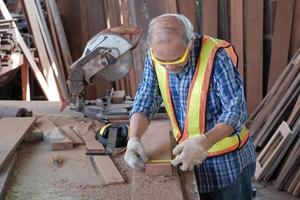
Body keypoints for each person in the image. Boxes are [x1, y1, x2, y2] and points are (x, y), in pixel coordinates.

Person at [124, 13, 256, 200]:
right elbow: (146, 97)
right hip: (188, 158)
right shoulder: (156, 55)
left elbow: (236, 109)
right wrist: (133, 139)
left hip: (228, 163)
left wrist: (204, 142)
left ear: (190, 43)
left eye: (177, 60)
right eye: (163, 62)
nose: (169, 67)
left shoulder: (216, 56)